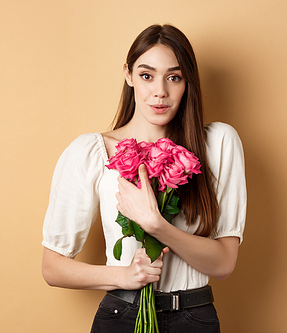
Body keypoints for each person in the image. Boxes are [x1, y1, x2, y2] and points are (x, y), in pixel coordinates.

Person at [41, 24, 246, 333]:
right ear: (129, 75)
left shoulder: (218, 144)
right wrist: (124, 276)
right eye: (147, 75)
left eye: (173, 77)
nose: (159, 91)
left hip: (194, 317)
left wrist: (156, 226)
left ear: (187, 82)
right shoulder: (91, 151)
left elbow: (223, 264)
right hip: (121, 314)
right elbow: (52, 267)